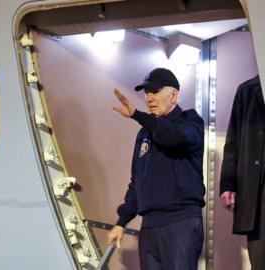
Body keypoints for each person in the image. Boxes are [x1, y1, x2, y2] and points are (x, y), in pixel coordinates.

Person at [107, 68, 205, 270]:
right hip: (150, 226)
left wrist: (137, 115)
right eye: (146, 93)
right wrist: (121, 222)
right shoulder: (145, 133)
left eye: (155, 91)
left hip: (180, 222)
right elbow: (137, 182)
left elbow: (174, 137)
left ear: (174, 95)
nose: (149, 98)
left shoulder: (190, 122)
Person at [219, 75, 265, 269]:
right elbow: (233, 142)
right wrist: (228, 184)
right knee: (260, 260)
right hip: (259, 193)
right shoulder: (248, 89)